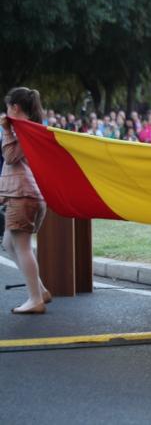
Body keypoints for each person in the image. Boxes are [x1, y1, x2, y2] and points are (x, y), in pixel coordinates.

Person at [1, 87, 51, 314]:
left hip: (23, 195)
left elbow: (10, 157)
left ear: (15, 107)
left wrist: (6, 130)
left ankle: (35, 299)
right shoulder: (26, 127)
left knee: (22, 247)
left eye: (7, 106)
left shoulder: (23, 128)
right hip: (26, 193)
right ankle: (39, 291)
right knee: (9, 244)